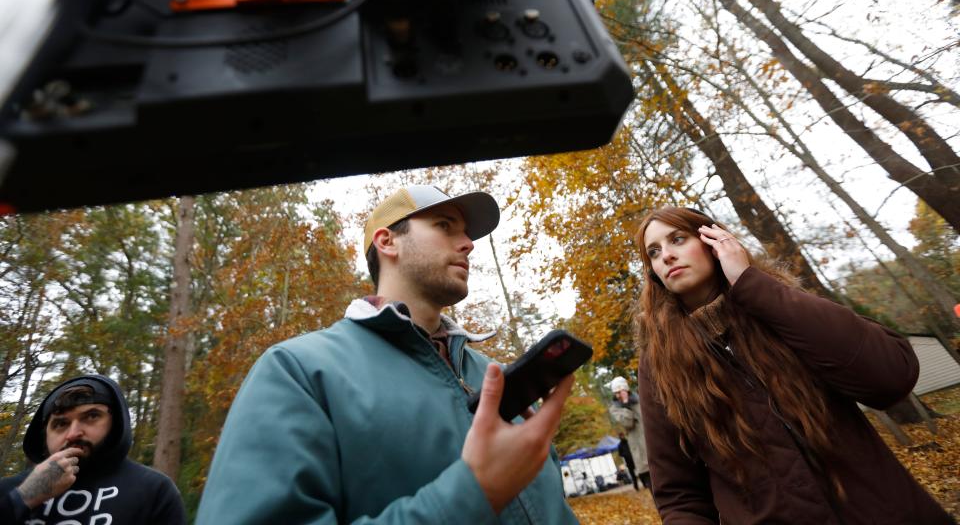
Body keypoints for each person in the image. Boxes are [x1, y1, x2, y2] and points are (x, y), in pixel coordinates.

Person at [196, 185, 579, 524]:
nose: (467, 243)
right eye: (445, 226)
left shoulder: (489, 374)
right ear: (387, 241)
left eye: (465, 233)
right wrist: (473, 493)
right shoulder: (299, 372)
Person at [635, 206, 954, 524]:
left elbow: (891, 376)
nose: (666, 256)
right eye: (654, 252)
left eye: (678, 239)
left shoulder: (780, 307)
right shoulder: (660, 366)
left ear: (715, 240)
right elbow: (679, 495)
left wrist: (750, 283)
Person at [0, 374, 186, 524]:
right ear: (44, 435)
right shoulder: (8, 490)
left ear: (116, 423)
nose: (73, 433)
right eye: (60, 423)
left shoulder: (153, 491)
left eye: (91, 416)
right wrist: (23, 498)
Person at [608, 376, 649, 490]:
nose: (618, 395)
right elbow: (628, 423)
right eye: (616, 393)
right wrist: (626, 404)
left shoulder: (639, 400)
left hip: (652, 444)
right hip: (640, 450)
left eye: (620, 392)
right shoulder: (615, 408)